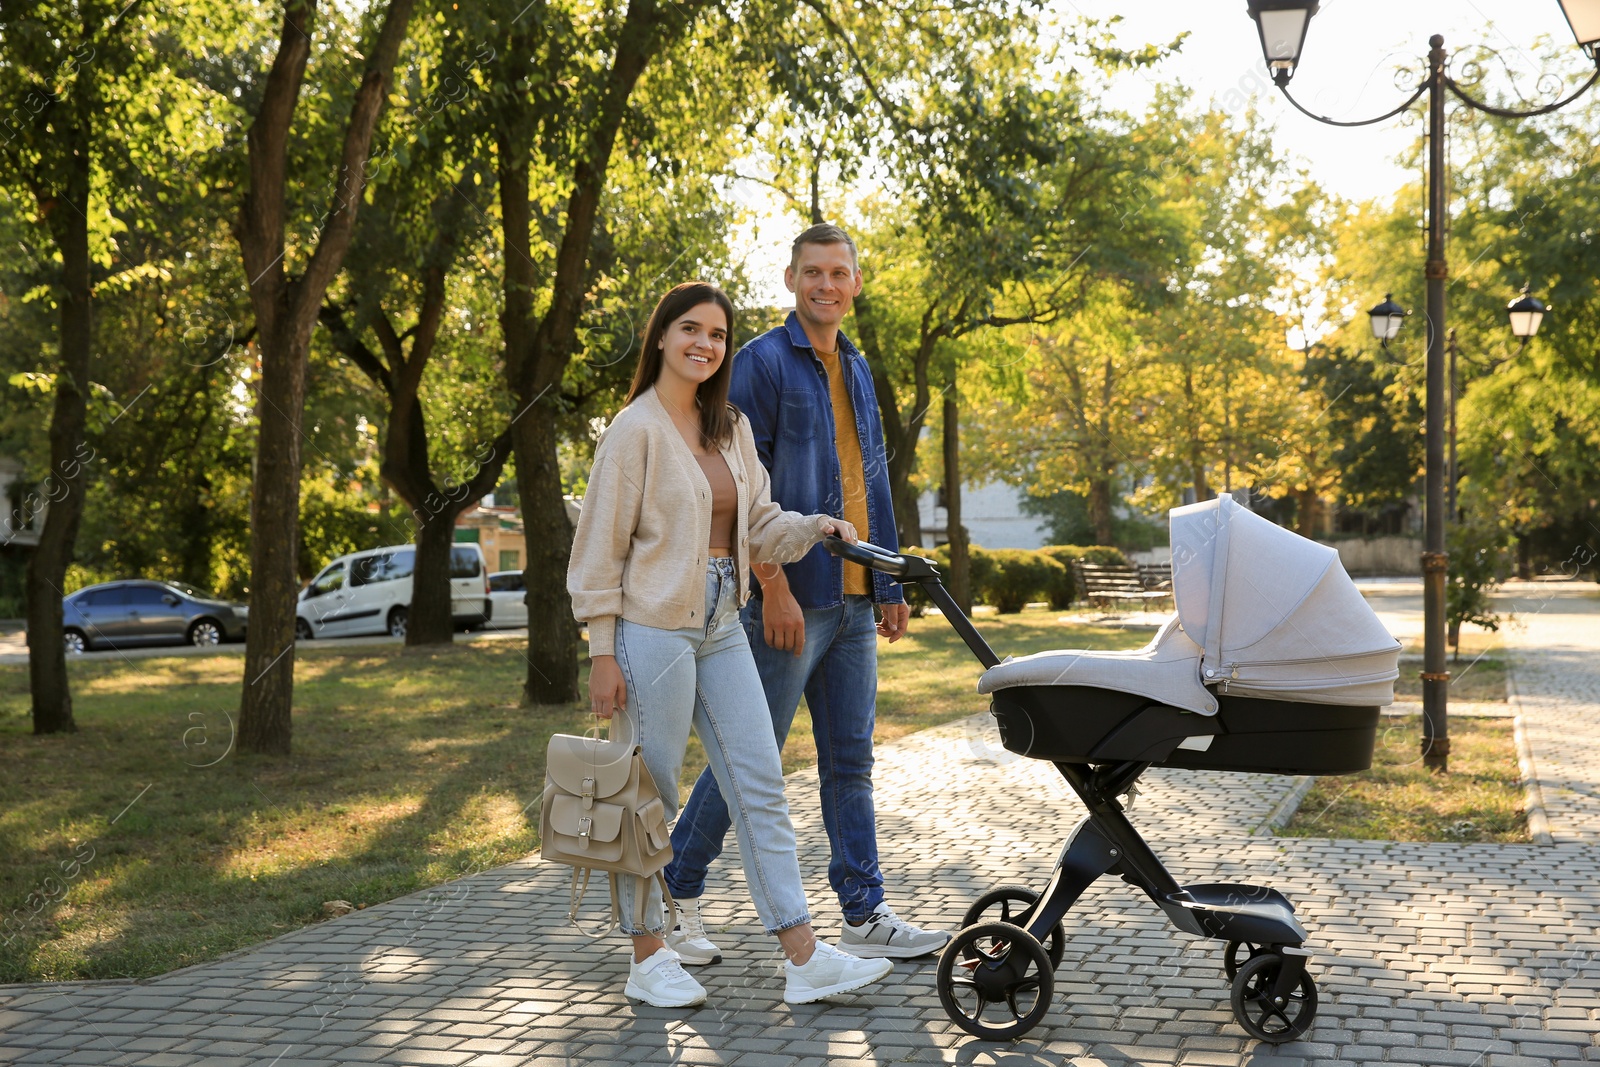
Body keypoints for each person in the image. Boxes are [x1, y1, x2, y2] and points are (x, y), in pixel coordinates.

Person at [566, 280, 894, 1009]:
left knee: (759, 782)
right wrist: (601, 651)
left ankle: (803, 955)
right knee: (647, 796)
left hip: (720, 624)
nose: (704, 344)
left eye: (716, 334)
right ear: (661, 337)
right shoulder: (635, 429)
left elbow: (759, 525)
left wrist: (814, 526)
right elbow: (596, 553)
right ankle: (647, 954)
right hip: (651, 626)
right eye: (690, 329)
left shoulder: (729, 426)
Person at [663, 225, 951, 963]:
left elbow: (872, 479)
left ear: (856, 283)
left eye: (839, 273)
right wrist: (773, 585)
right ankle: (674, 883)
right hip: (792, 598)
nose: (827, 284)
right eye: (813, 272)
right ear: (791, 279)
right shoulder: (758, 365)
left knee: (850, 760)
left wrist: (886, 577)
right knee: (748, 758)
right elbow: (737, 489)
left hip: (854, 599)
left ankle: (863, 909)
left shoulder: (855, 367)